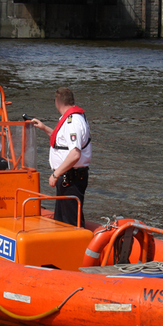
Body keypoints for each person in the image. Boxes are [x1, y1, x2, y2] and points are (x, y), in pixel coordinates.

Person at [31, 87, 91, 227]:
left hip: (70, 177)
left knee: (69, 221)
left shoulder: (72, 122)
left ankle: (76, 246)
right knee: (62, 218)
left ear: (57, 101)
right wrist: (44, 128)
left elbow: (75, 154)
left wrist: (56, 174)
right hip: (68, 176)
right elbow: (63, 142)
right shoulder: (73, 118)